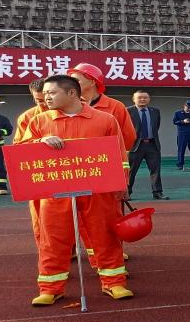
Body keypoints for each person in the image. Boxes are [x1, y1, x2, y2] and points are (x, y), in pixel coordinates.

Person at [18, 74, 130, 305]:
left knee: (105, 236)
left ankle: (114, 283)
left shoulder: (105, 120)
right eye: (45, 94)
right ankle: (51, 287)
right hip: (55, 192)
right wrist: (40, 142)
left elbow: (120, 156)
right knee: (53, 239)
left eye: (51, 93)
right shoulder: (39, 122)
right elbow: (21, 151)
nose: (46, 98)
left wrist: (121, 184)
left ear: (71, 93)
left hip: (98, 191)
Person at [68, 63, 136, 150]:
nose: (71, 85)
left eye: (76, 81)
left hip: (103, 159)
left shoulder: (115, 106)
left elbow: (128, 138)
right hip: (74, 159)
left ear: (92, 82)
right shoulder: (67, 106)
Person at [127, 90, 168, 200]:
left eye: (145, 97)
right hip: (135, 145)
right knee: (131, 170)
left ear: (149, 99)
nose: (142, 99)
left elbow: (156, 126)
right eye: (139, 97)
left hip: (152, 145)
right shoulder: (127, 111)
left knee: (155, 170)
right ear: (134, 99)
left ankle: (157, 192)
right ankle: (127, 192)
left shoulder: (155, 111)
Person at [13, 78, 48, 143]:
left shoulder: (70, 112)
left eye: (49, 99)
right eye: (40, 101)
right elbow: (19, 144)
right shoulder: (26, 117)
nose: (46, 103)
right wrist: (40, 141)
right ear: (34, 98)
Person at [172, 100, 190, 171]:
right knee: (181, 149)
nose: (189, 109)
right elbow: (174, 121)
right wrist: (183, 121)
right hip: (182, 134)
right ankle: (180, 164)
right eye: (188, 107)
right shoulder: (178, 113)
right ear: (184, 106)